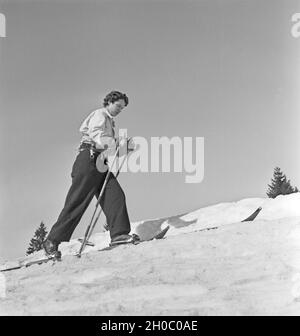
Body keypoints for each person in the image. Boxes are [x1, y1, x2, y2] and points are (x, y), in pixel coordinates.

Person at [43, 91, 135, 257]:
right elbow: (97, 136)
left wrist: (123, 148)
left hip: (100, 162)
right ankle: (52, 240)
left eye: (122, 108)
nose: (119, 110)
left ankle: (119, 234)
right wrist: (117, 144)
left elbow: (107, 145)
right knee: (77, 201)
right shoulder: (100, 114)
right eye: (118, 106)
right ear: (109, 102)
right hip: (89, 160)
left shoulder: (110, 121)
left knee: (115, 195)